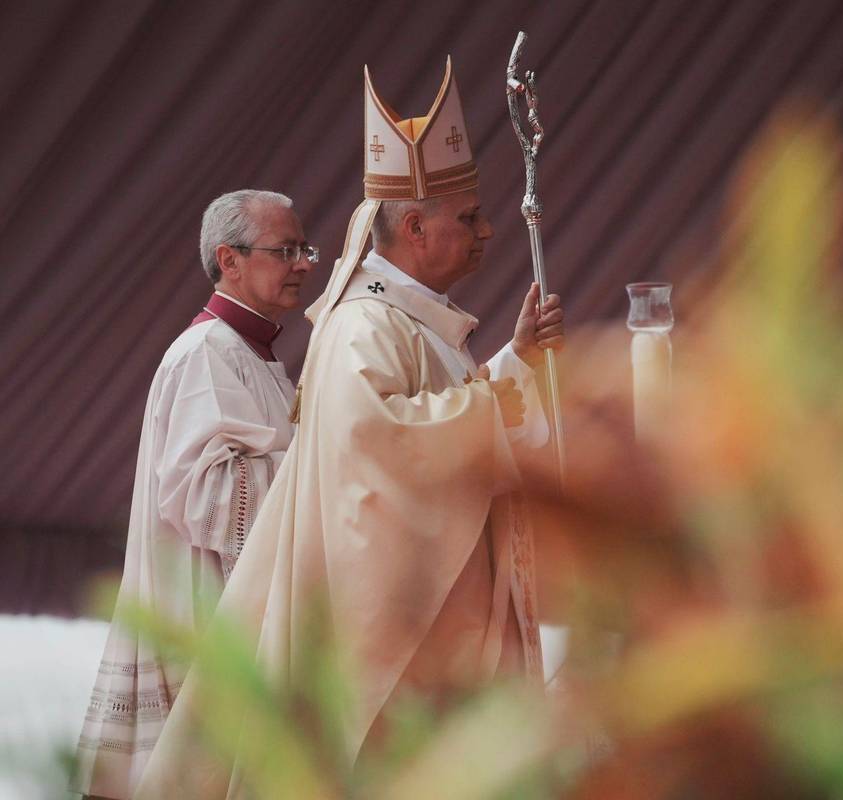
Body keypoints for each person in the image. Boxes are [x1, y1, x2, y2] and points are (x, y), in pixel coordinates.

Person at [135, 58, 564, 797]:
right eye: (468, 217)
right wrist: (492, 410)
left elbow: (439, 417)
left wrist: (514, 362)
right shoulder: (362, 326)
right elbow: (378, 450)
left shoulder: (415, 325)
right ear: (415, 226)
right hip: (398, 639)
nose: (488, 230)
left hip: (444, 621)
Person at [74, 190, 317, 799]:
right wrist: (320, 462)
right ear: (229, 260)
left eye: (303, 249)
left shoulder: (252, 355)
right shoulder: (207, 351)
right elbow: (206, 497)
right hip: (205, 620)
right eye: (284, 250)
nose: (302, 264)